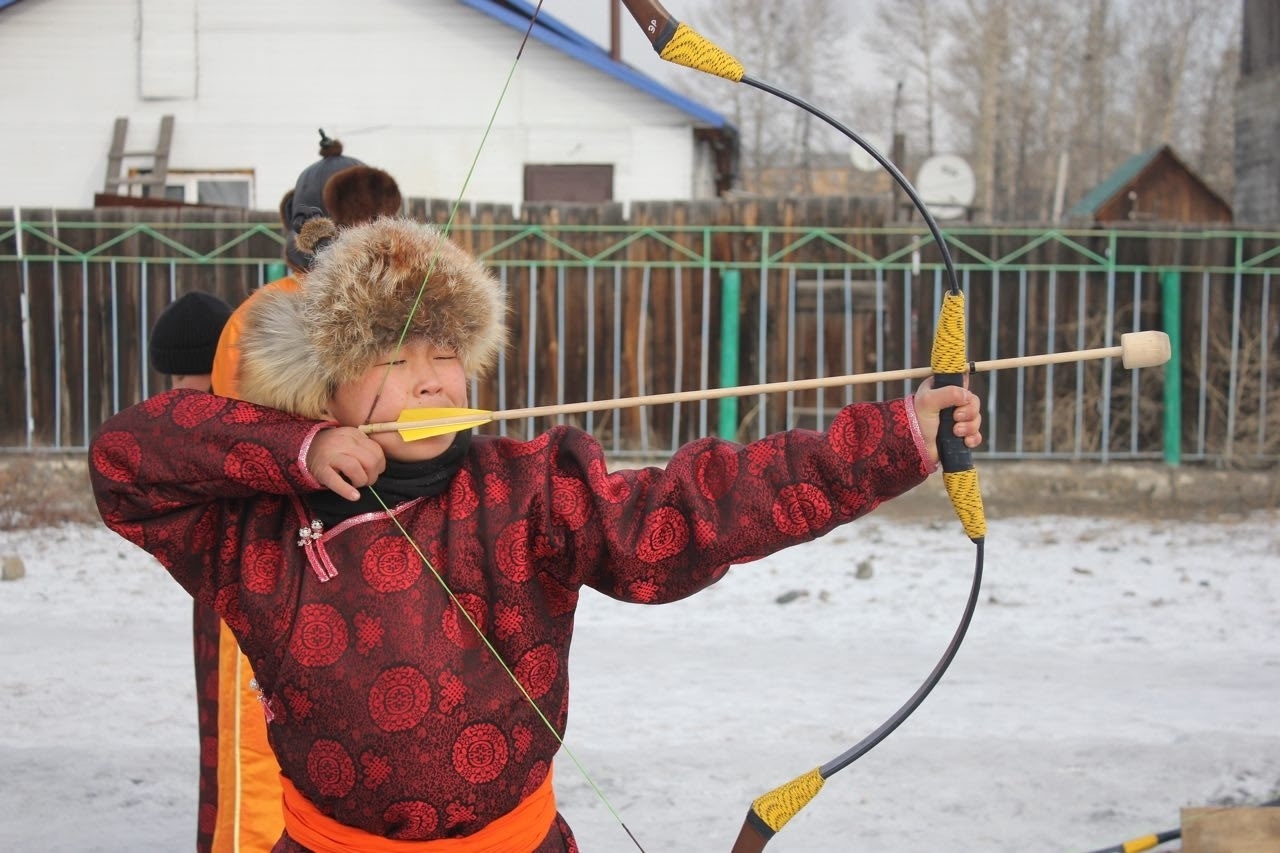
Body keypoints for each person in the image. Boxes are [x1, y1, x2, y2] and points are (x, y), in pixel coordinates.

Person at [90, 216, 983, 851]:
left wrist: (893, 440)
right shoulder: (257, 522)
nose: (430, 379)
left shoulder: (527, 489)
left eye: (445, 353)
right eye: (392, 357)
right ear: (326, 386)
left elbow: (695, 507)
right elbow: (125, 461)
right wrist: (297, 448)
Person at [203, 132, 404, 853]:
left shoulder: (394, 315)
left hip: (377, 559)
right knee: (267, 749)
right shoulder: (267, 317)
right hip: (280, 562)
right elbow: (230, 437)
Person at [146, 289, 233, 853]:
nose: (181, 391)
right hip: (215, 605)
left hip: (255, 602)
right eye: (174, 380)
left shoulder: (246, 422)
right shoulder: (180, 428)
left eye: (190, 376)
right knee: (220, 739)